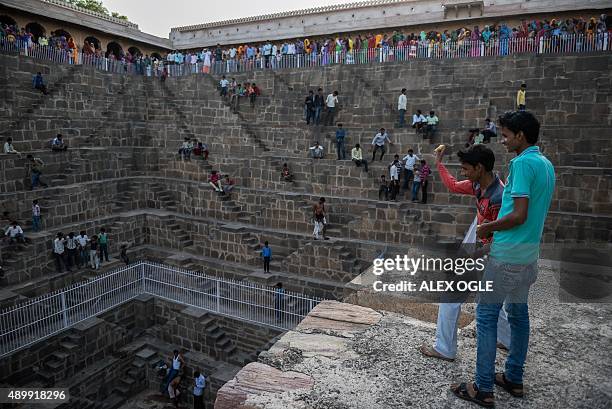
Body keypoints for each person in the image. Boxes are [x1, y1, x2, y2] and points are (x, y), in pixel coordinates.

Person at [451, 111, 555, 408]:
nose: (505, 140)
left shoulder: (521, 164)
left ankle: (482, 388)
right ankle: (513, 377)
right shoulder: (546, 165)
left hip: (506, 256)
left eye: (507, 135)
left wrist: (486, 227)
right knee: (519, 316)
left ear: (521, 135)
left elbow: (519, 215)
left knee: (486, 318)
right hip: (528, 257)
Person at [421, 143, 509, 363]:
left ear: (479, 168)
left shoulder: (499, 197)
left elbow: (502, 238)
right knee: (486, 298)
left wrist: (474, 256)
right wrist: (439, 164)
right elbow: (452, 185)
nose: (464, 173)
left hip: (491, 253)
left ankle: (444, 348)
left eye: (466, 169)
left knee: (452, 294)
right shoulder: (480, 186)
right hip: (483, 248)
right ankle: (508, 339)